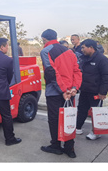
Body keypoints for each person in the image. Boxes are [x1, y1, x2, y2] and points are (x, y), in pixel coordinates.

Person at [39, 29, 82, 158]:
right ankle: (70, 148)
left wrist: (63, 90)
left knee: (54, 120)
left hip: (56, 92)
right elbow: (77, 71)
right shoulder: (69, 51)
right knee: (69, 118)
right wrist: (74, 88)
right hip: (70, 92)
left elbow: (51, 72)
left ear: (44, 39)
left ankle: (56, 146)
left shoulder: (45, 51)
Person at [76, 39, 108, 140]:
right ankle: (78, 127)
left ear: (91, 48)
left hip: (96, 91)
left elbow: (107, 77)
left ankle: (96, 132)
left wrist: (103, 92)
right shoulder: (84, 58)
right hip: (85, 89)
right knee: (82, 109)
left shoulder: (102, 60)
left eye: (83, 47)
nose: (82, 50)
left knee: (96, 112)